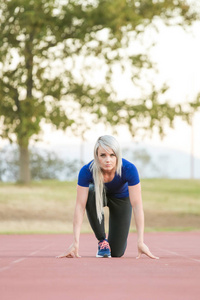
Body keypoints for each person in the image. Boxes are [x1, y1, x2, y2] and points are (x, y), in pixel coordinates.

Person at [57, 135, 159, 259]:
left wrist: (140, 241)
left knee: (117, 253)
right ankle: (102, 241)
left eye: (112, 155)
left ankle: (112, 245)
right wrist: (75, 242)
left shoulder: (129, 169)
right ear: (96, 156)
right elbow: (80, 206)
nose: (108, 160)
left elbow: (137, 205)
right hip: (98, 195)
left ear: (118, 155)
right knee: (91, 191)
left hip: (122, 199)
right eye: (103, 155)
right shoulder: (87, 171)